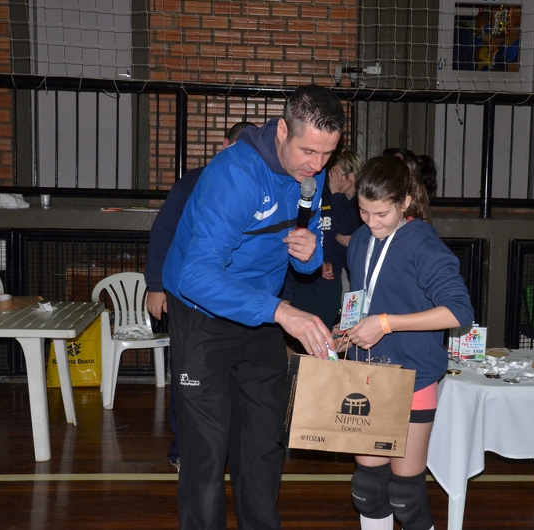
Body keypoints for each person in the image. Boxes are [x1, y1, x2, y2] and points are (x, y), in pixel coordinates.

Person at [161, 84, 345, 530]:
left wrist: (312, 254)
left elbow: (306, 249)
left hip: (262, 312)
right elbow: (195, 277)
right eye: (308, 151)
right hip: (203, 315)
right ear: (282, 131)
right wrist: (281, 311)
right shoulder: (234, 176)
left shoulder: (312, 173)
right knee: (206, 451)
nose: (316, 165)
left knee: (263, 444)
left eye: (327, 154)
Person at [337, 155, 474, 530]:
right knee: (368, 488)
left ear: (406, 202)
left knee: (405, 495)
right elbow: (365, 299)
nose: (371, 222)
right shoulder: (361, 239)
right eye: (364, 211)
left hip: (413, 379)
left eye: (381, 213)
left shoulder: (421, 243)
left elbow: (459, 311)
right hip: (367, 379)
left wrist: (385, 324)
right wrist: (346, 330)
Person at [144, 120, 256, 472]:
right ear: (223, 145)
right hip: (187, 299)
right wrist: (156, 285)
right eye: (237, 149)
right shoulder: (193, 182)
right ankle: (183, 450)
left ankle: (229, 452)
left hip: (235, 302)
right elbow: (163, 234)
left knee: (234, 382)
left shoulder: (257, 184)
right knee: (188, 377)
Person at [281, 149, 362, 333]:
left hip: (333, 280)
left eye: (336, 174)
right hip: (305, 279)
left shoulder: (349, 202)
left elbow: (345, 229)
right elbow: (325, 232)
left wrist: (332, 262)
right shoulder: (324, 198)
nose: (331, 178)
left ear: (349, 176)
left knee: (325, 330)